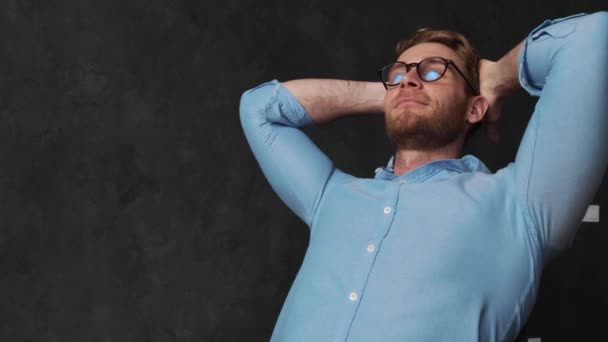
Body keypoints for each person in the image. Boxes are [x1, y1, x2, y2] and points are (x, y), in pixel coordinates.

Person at [239, 11, 607, 342]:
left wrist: (496, 76)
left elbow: (593, 38)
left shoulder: (520, 206)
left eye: (433, 70)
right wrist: (391, 96)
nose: (409, 80)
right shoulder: (331, 195)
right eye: (399, 73)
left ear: (475, 107)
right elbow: (259, 109)